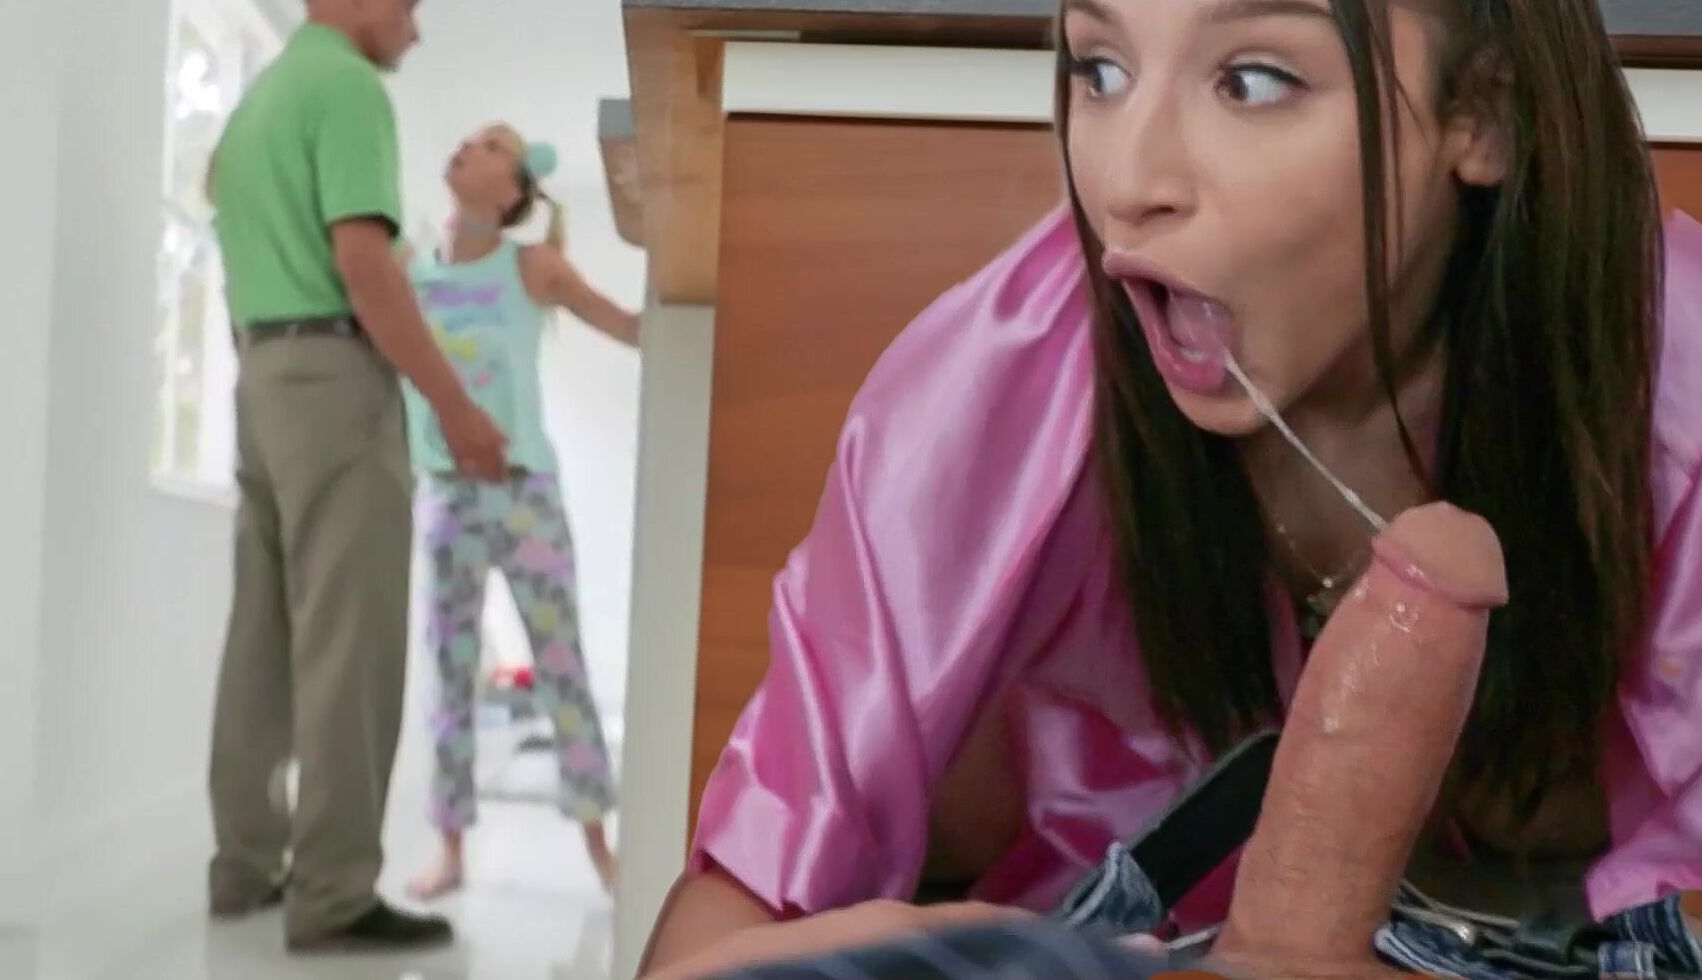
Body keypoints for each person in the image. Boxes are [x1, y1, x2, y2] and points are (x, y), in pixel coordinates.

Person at [639, 0, 1702, 973]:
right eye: (1097, 70)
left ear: (1485, 114)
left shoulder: (1678, 400)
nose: (1127, 184)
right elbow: (726, 916)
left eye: (1252, 81)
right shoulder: (988, 393)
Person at [206, 0, 508, 954]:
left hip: (261, 375)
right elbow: (364, 264)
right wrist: (455, 409)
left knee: (261, 639)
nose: (415, 27)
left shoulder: (259, 101)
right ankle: (333, 894)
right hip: (335, 382)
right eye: (411, 5)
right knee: (350, 645)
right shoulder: (347, 87)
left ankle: (243, 867)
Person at [401, 124, 637, 903]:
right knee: (449, 670)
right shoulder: (410, 270)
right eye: (468, 138)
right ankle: (451, 851)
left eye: (491, 146)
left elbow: (629, 326)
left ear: (510, 193)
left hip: (525, 493)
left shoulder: (530, 266)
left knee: (560, 666)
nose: (468, 146)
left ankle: (601, 847)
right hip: (446, 493)